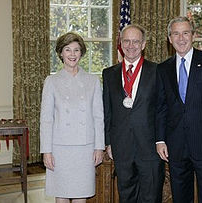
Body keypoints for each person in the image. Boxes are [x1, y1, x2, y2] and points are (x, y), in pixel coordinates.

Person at [156, 17, 202, 203]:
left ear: (194, 35)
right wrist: (160, 140)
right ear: (169, 38)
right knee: (180, 197)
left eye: (185, 33)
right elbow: (161, 107)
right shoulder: (163, 68)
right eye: (176, 34)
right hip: (176, 146)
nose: (181, 38)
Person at [102, 24, 165, 203]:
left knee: (151, 197)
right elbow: (107, 111)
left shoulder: (157, 71)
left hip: (150, 148)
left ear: (143, 44)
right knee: (126, 196)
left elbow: (162, 109)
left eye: (136, 41)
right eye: (126, 41)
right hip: (121, 147)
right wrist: (108, 142)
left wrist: (161, 140)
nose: (131, 45)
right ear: (120, 43)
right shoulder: (109, 74)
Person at [40, 32, 104, 203]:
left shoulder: (93, 81)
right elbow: (46, 119)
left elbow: (99, 117)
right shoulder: (51, 82)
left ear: (81, 53)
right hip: (60, 148)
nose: (72, 54)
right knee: (61, 194)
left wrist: (99, 147)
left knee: (81, 195)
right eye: (67, 50)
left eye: (76, 50)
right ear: (61, 53)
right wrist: (46, 151)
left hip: (85, 148)